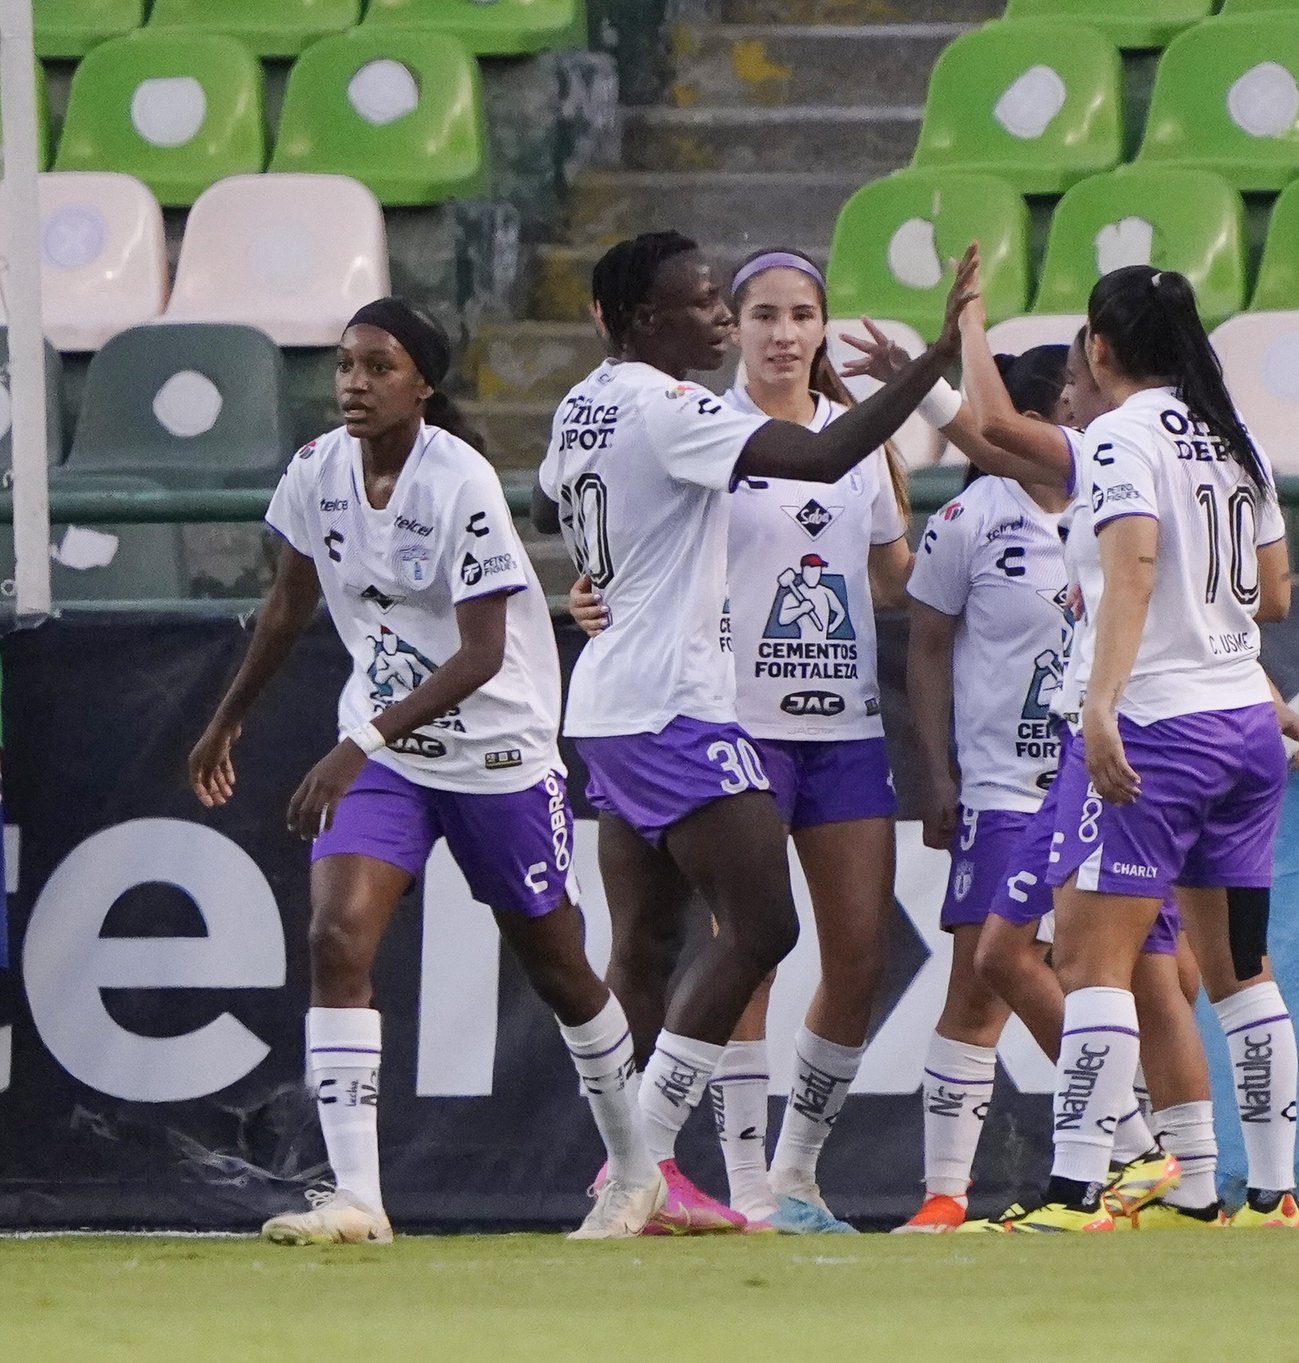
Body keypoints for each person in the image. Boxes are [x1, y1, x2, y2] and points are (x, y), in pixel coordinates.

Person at [533, 232, 976, 1234]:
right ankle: (675, 1174)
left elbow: (553, 490)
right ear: (649, 318)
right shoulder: (694, 415)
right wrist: (938, 366)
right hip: (707, 709)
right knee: (754, 934)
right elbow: (818, 455)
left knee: (692, 942)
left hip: (760, 717)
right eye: (728, 308)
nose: (747, 327)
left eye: (795, 313)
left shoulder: (592, 400)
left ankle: (725, 1177)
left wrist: (604, 563)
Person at [188, 298, 656, 1244]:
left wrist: (355, 743)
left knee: (559, 967)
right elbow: (286, 606)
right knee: (335, 934)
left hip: (498, 754)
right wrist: (227, 718)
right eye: (346, 366)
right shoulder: (317, 472)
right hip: (390, 750)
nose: (354, 384)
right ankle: (359, 1198)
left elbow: (483, 653)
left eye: (379, 366)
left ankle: (637, 1172)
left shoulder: (461, 483)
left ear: (424, 383)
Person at [976, 267, 1299, 1231]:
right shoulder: (1231, 436)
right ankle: (1257, 1194)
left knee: (1090, 959)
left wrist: (1103, 705)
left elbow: (1132, 566)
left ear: (1100, 348)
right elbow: (1273, 591)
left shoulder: (1121, 436)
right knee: (1241, 966)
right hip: (1244, 723)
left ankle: (1080, 1192)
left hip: (1160, 729)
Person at [895, 345, 1195, 1231]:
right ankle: (950, 1192)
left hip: (1112, 774)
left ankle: (1172, 1165)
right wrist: (938, 771)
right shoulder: (968, 519)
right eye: (1067, 404)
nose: (1083, 417)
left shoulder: (1120, 497)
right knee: (984, 978)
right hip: (1005, 785)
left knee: (1160, 972)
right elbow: (927, 645)